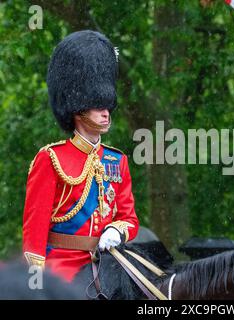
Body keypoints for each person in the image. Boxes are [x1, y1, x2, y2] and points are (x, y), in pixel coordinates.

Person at [23, 30, 139, 282]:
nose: (106, 113)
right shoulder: (51, 158)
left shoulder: (117, 161)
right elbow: (34, 232)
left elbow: (129, 218)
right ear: (78, 109)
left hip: (109, 265)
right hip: (62, 271)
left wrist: (117, 232)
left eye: (108, 107)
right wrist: (35, 285)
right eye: (99, 106)